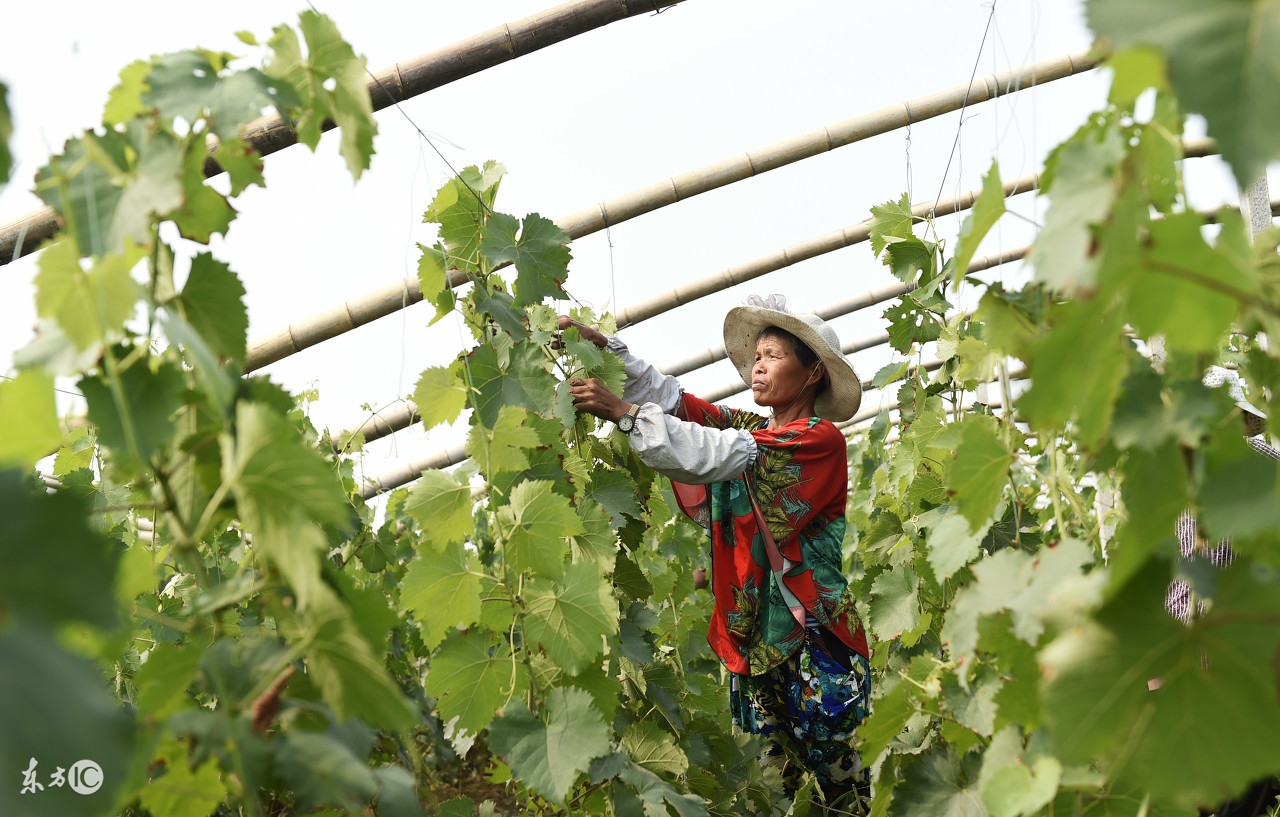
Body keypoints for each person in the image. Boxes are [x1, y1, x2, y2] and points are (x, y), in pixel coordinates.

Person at [561, 295, 872, 809]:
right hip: (751, 643)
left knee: (842, 781)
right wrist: (609, 353)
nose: (758, 364)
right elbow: (680, 407)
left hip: (811, 640)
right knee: (780, 789)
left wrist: (623, 414)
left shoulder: (817, 440)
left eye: (773, 355)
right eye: (757, 355)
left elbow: (717, 451)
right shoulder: (752, 430)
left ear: (813, 371)